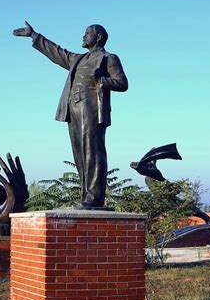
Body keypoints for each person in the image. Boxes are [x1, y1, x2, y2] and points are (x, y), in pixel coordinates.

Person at [13, 22, 128, 209]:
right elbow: (57, 52)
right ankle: (86, 196)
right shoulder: (78, 59)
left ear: (98, 37)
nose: (83, 36)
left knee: (93, 152)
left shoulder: (108, 58)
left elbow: (122, 83)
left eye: (88, 33)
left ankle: (95, 198)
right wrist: (35, 36)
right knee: (80, 154)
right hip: (73, 108)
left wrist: (101, 78)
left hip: (91, 108)